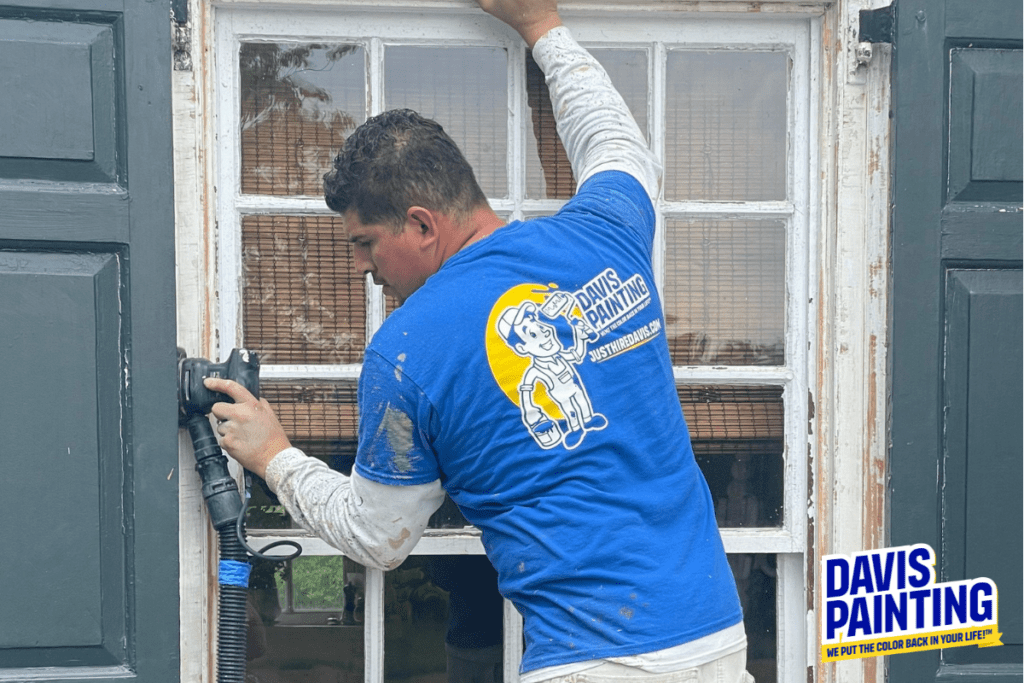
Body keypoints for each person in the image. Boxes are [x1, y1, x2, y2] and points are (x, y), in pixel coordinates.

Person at [205, 0, 752, 681]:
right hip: (716, 638)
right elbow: (615, 145)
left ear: (422, 224)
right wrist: (541, 27)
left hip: (591, 662)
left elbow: (379, 536)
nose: (358, 268)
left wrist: (275, 455)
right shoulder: (602, 237)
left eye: (365, 243)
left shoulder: (406, 351)